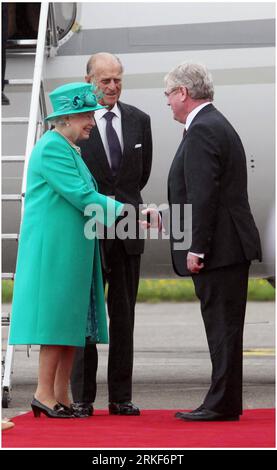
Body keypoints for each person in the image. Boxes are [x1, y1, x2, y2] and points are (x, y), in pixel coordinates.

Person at [145, 62, 262, 421]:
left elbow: (204, 196)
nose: (167, 103)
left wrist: (197, 248)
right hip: (226, 245)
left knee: (223, 328)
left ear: (182, 92)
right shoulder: (213, 124)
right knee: (224, 327)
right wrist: (165, 219)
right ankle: (223, 401)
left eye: (168, 94)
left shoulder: (203, 130)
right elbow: (202, 194)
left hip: (219, 250)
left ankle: (221, 404)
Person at [9, 82, 124, 418]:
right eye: (87, 114)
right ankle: (44, 394)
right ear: (68, 117)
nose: (92, 120)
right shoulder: (53, 148)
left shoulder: (68, 147)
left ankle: (60, 394)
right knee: (56, 322)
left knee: (72, 323)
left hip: (71, 250)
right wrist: (127, 212)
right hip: (55, 252)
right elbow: (82, 196)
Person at [70, 53, 152, 417]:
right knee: (86, 317)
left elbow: (140, 176)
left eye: (117, 79)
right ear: (89, 80)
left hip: (128, 231)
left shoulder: (139, 121)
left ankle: (120, 396)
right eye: (105, 81)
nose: (113, 87)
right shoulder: (76, 124)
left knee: (125, 317)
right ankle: (83, 398)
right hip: (88, 230)